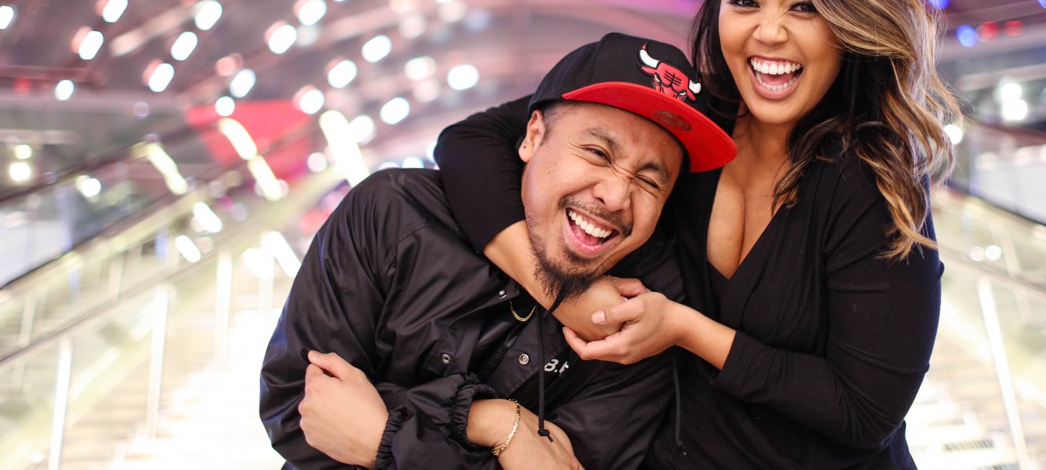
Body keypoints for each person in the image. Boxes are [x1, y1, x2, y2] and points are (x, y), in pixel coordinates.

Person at [433, 0, 962, 468]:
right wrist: (559, 291)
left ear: (848, 21)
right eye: (745, 2)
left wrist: (684, 329)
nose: (769, 32)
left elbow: (864, 411)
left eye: (803, 6)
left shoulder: (873, 181)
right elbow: (472, 141)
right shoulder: (688, 117)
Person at [259, 33, 737, 470]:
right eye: (597, 153)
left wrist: (385, 440)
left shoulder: (643, 323)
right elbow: (299, 412)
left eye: (650, 181)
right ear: (532, 136)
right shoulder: (392, 215)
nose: (615, 196)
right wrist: (491, 420)